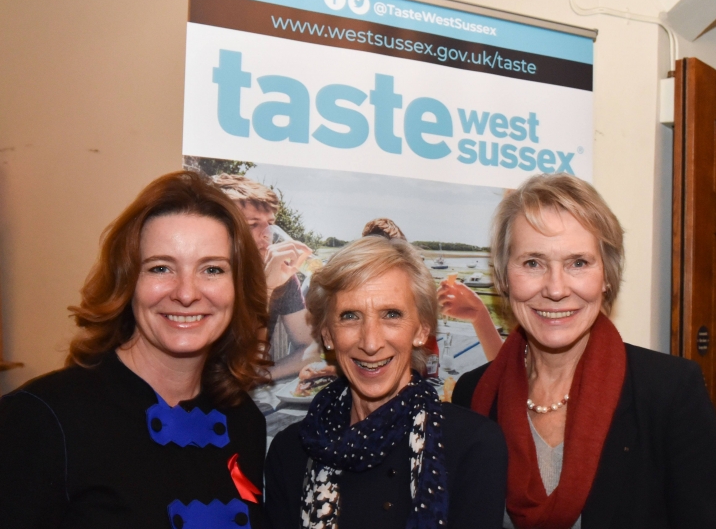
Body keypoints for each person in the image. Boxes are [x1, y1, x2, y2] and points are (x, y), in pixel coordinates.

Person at [452, 174, 716, 529]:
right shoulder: (473, 394)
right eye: (532, 263)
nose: (556, 289)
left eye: (578, 263)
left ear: (606, 275)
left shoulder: (669, 391)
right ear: (503, 277)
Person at [0, 171, 271, 529]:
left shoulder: (244, 421)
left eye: (212, 269)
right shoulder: (41, 419)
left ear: (237, 286)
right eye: (160, 268)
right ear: (127, 281)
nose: (186, 293)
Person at [263, 236, 508, 529]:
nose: (370, 342)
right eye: (350, 316)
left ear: (420, 330)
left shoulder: (473, 446)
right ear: (327, 335)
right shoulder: (290, 451)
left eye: (391, 315)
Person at [212, 173, 317, 378]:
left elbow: (310, 348)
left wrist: (263, 377)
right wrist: (266, 289)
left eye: (271, 223)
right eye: (253, 224)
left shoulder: (282, 277)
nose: (267, 234)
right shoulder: (209, 276)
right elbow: (229, 364)